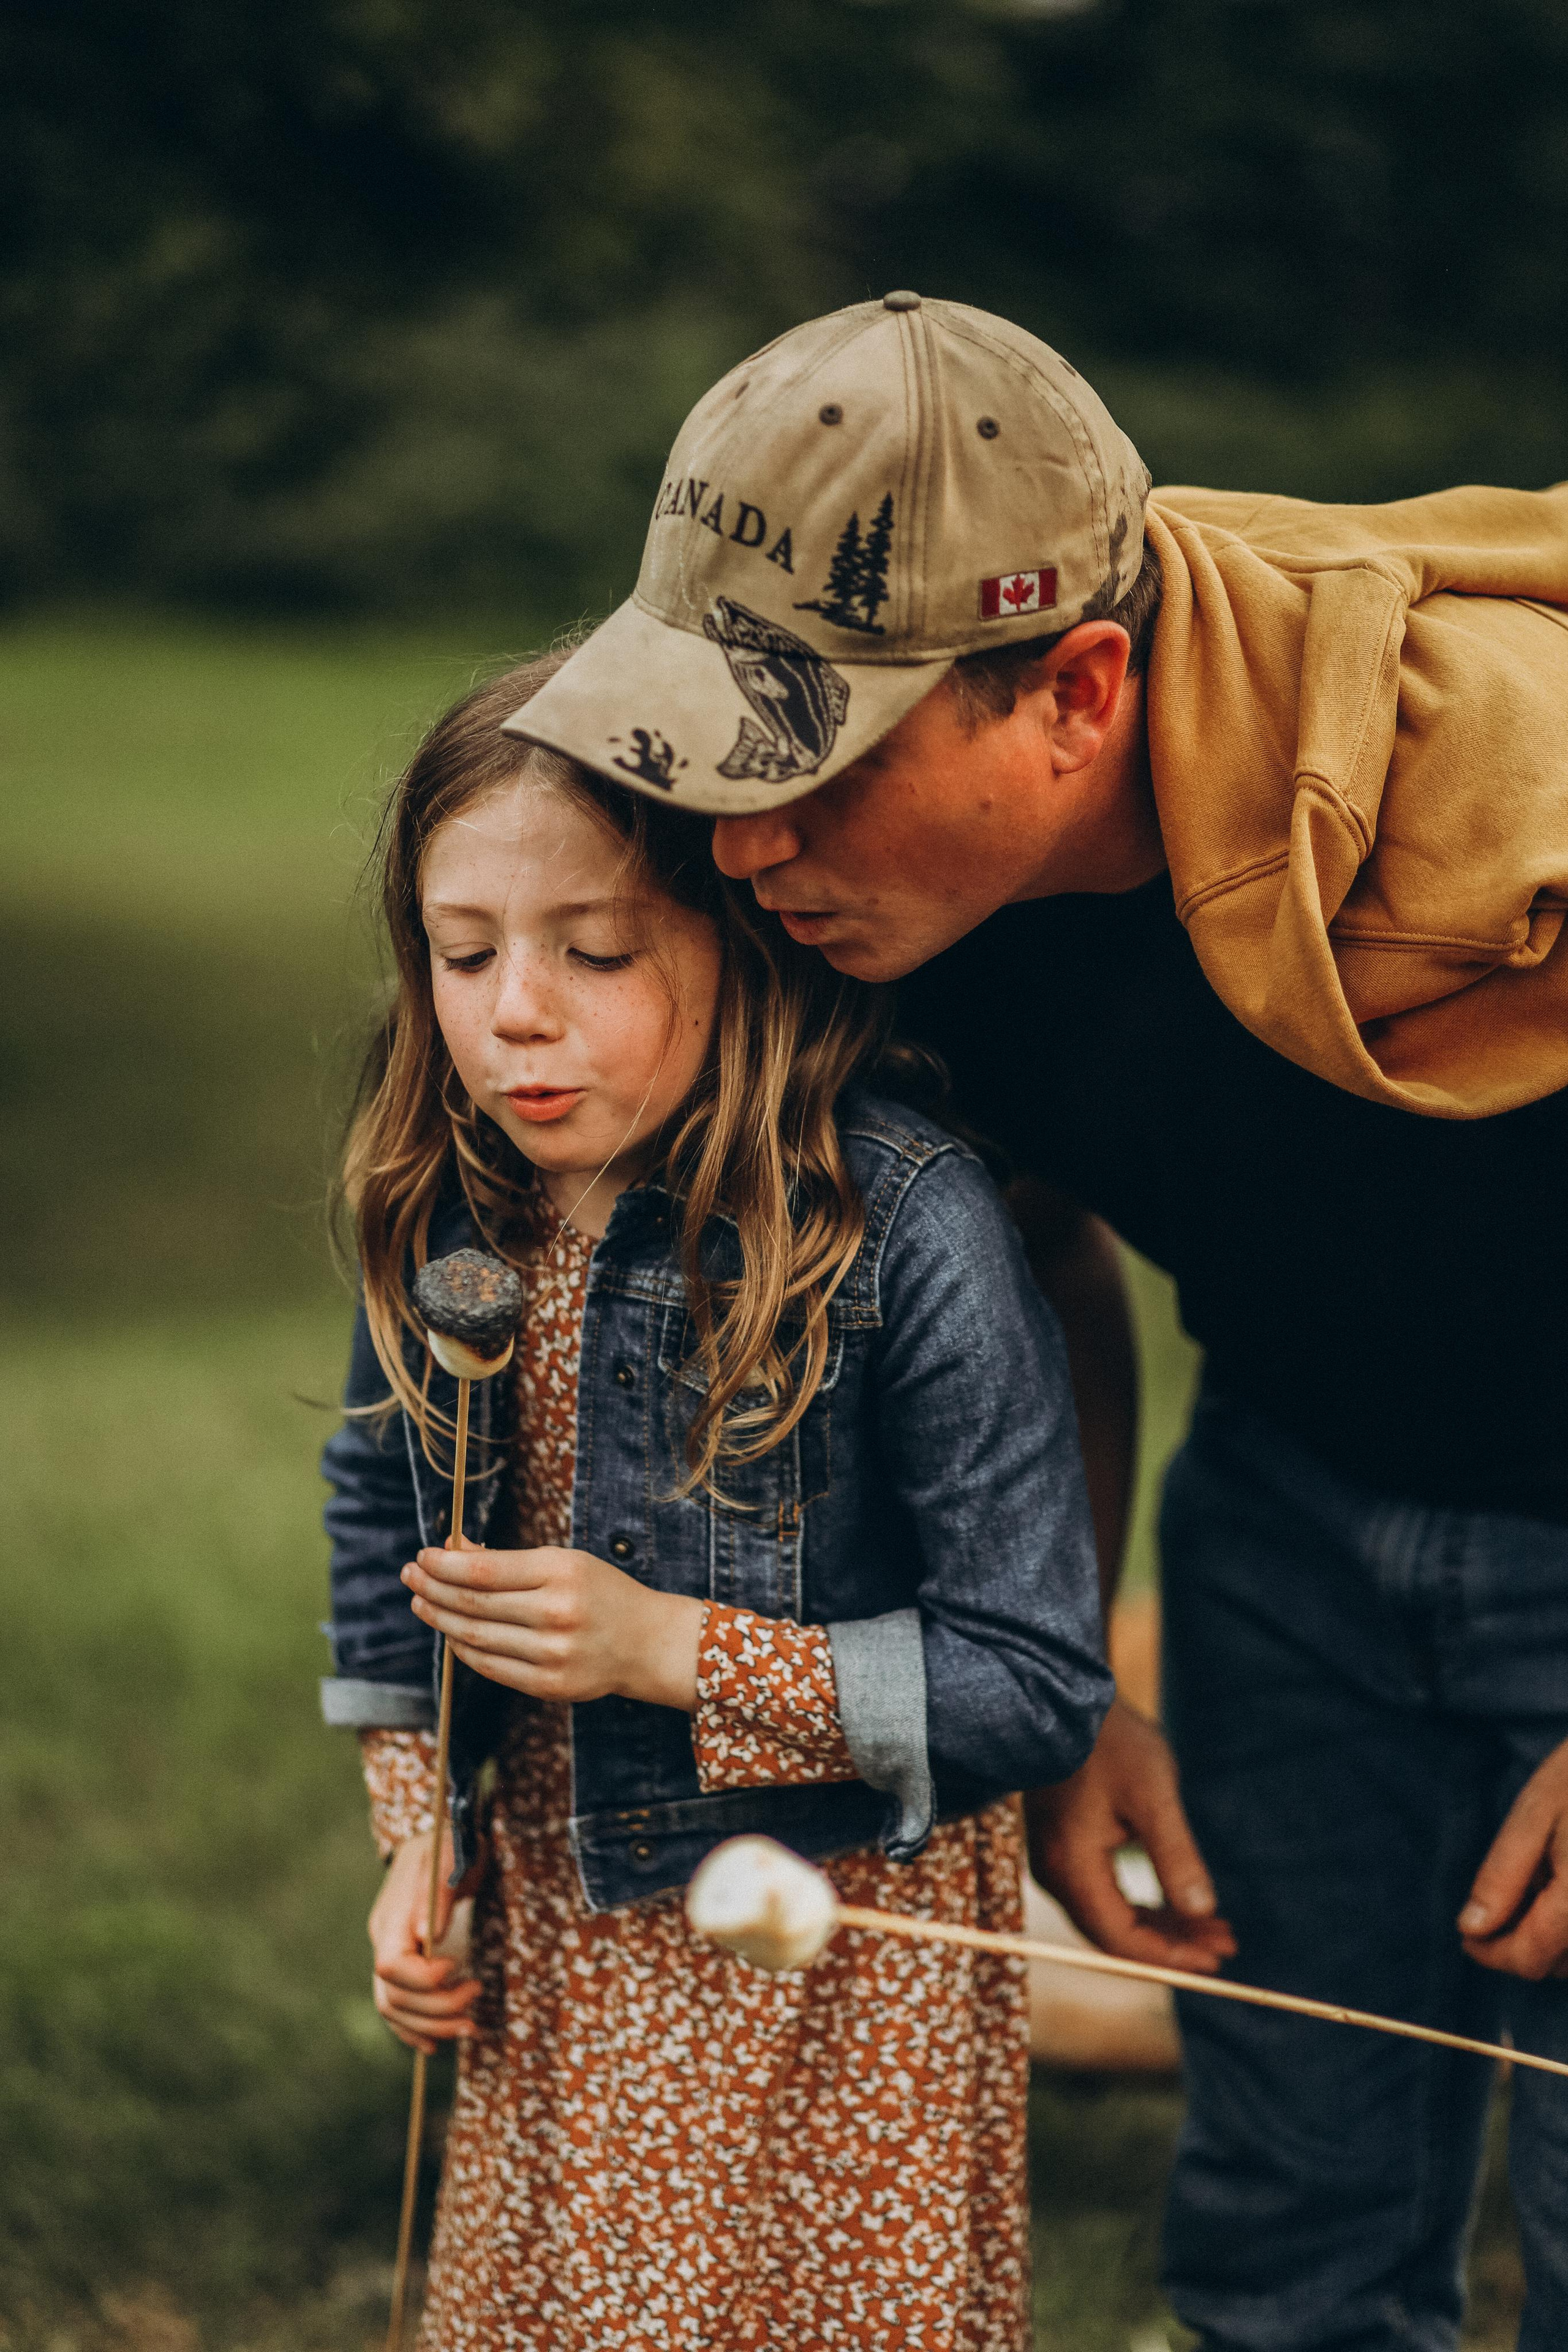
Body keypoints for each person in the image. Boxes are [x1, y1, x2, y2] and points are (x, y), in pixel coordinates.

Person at [503, 293, 1568, 2352]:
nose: (744, 845)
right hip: (1287, 1520)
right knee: (1285, 2229)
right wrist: (1062, 1679)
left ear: (1075, 693)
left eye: (804, 763)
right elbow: (1038, 1246)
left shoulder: (1498, 810)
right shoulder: (887, 909)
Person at [318, 650, 1112, 2350]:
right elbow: (385, 1522)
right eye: (464, 955)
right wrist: (419, 1831)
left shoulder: (904, 1227)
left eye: (592, 952)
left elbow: (1034, 1681)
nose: (513, 1009)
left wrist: (672, 1646)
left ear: (740, 945)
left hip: (830, 1968)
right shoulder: (450, 1200)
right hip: (561, 1924)